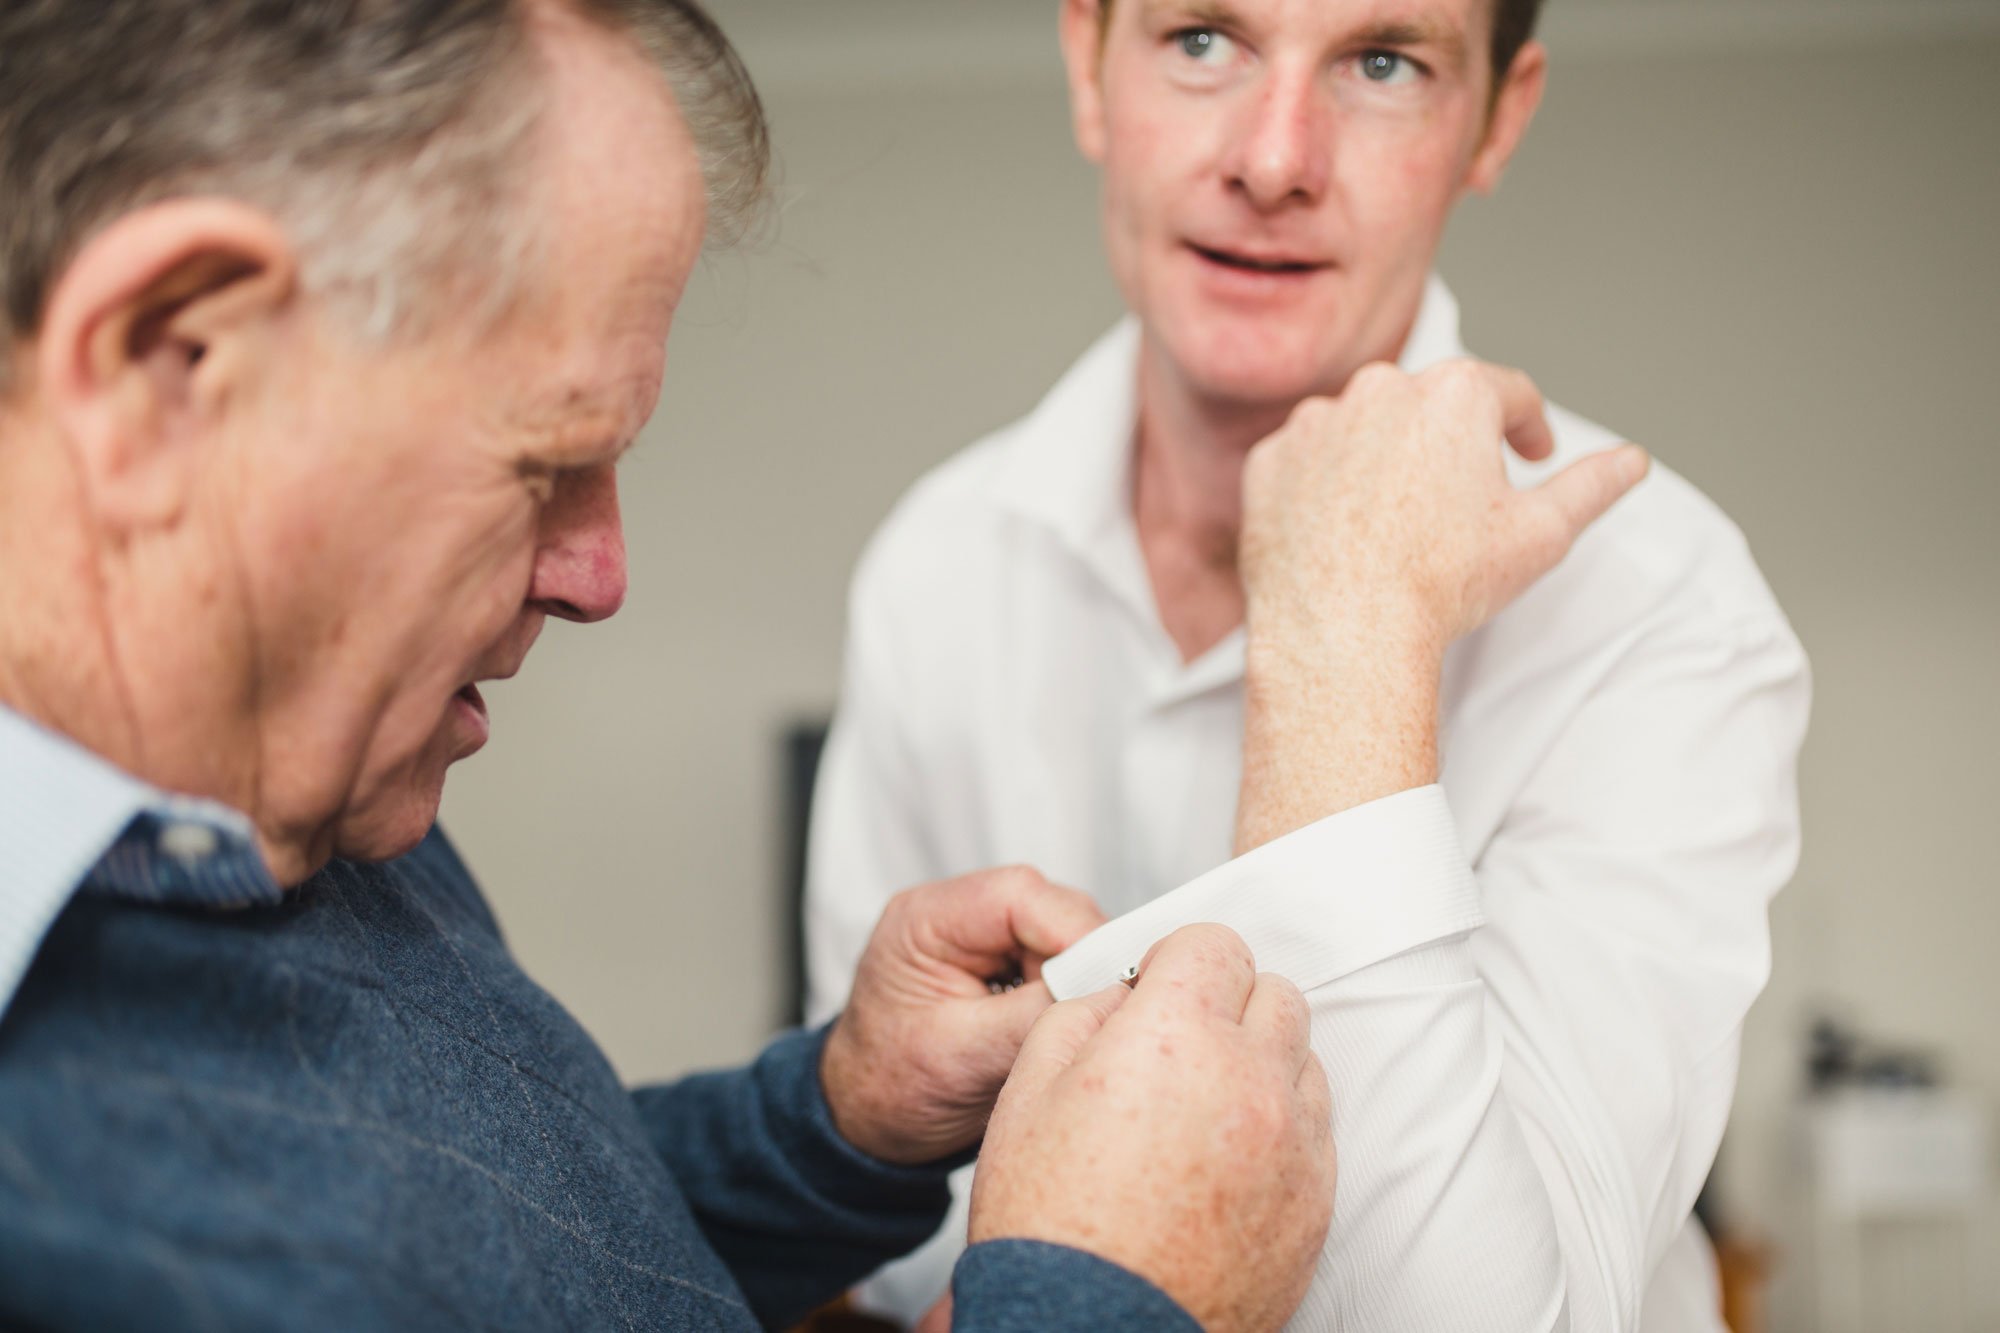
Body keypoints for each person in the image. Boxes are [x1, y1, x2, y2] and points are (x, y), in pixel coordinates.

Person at [0, 1, 1349, 1328]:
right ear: (163, 362)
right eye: (548, 462)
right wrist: (1110, 1297)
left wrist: (838, 1119)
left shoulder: (304, 785)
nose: (600, 576)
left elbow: (514, 1260)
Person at [803, 0, 1812, 1329]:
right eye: (1204, 39)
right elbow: (897, 1189)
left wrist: (1349, 644)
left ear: (1497, 119)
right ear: (1088, 65)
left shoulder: (1659, 603)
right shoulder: (937, 561)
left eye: (1382, 63)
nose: (1276, 158)